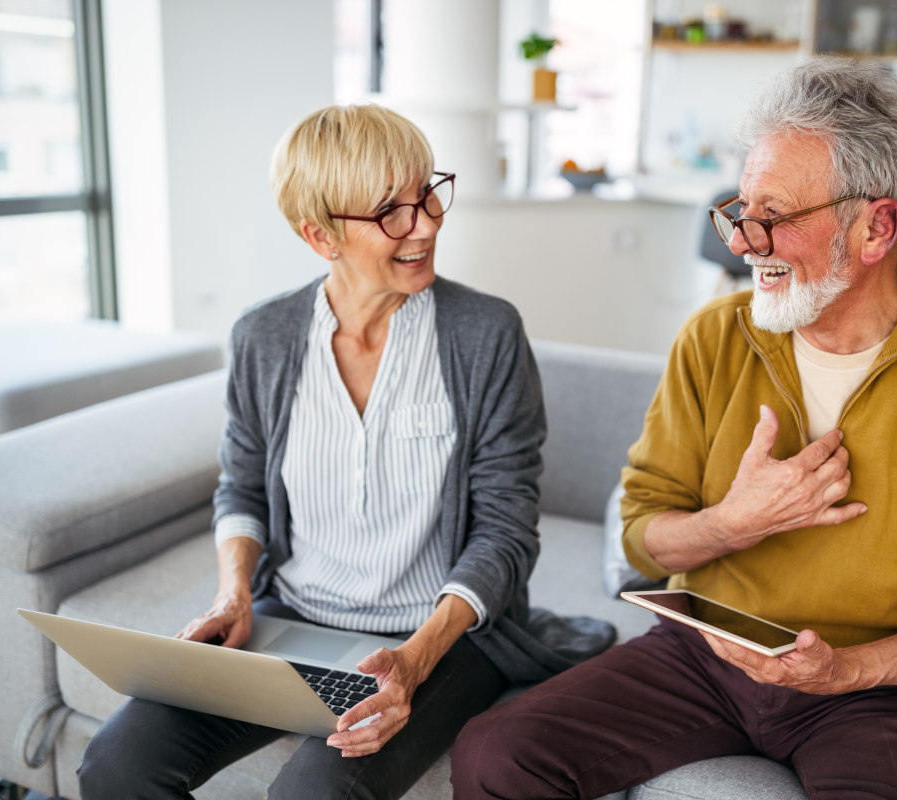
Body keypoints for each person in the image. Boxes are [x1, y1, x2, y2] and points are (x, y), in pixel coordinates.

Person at [450, 57, 897, 800]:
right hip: (702, 652)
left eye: (772, 217)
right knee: (496, 754)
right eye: (741, 210)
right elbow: (642, 532)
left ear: (876, 227)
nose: (742, 241)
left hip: (883, 684)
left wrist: (850, 670)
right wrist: (731, 524)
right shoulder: (713, 337)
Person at [77, 104, 613, 800]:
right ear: (318, 235)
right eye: (391, 210)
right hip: (293, 619)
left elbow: (507, 531)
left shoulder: (486, 334)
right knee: (117, 766)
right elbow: (241, 486)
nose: (425, 223)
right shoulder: (263, 337)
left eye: (427, 193)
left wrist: (414, 663)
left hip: (437, 637)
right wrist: (234, 591)